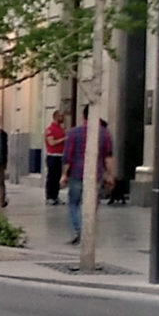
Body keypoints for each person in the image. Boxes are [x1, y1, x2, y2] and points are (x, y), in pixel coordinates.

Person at [61, 105, 114, 245]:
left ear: (83, 115)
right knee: (92, 204)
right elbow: (108, 157)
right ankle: (87, 230)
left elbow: (67, 156)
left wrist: (64, 174)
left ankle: (79, 230)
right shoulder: (104, 133)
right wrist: (110, 175)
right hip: (96, 174)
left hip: (76, 173)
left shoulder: (73, 133)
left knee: (74, 203)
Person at [44, 110, 67, 206]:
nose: (63, 118)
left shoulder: (61, 129)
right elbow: (51, 142)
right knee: (51, 177)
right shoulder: (50, 129)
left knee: (57, 177)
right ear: (55, 117)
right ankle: (49, 197)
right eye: (60, 116)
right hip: (52, 156)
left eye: (63, 116)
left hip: (61, 156)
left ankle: (55, 196)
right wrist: (64, 139)